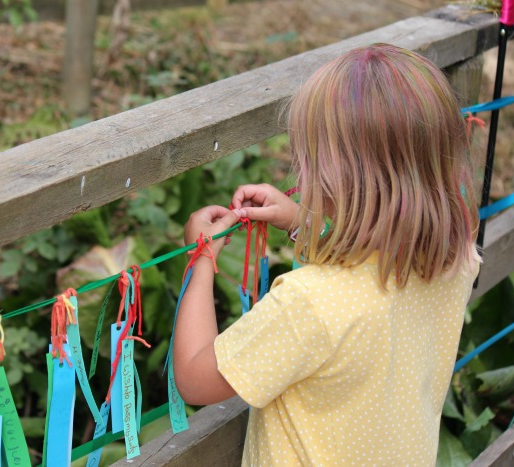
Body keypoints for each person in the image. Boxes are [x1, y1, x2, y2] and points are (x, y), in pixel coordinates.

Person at [172, 43, 481, 466]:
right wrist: (305, 221)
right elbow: (376, 259)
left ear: (333, 178)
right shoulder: (456, 258)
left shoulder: (310, 301)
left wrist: (201, 257)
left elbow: (194, 377)